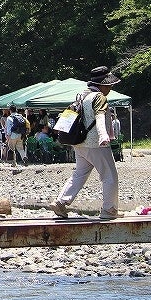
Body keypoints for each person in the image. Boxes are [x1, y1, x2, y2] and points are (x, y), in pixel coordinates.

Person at [51, 66, 122, 221]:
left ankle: (61, 201)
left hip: (80, 144)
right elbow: (100, 116)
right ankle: (109, 209)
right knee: (109, 175)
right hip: (96, 144)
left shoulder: (81, 96)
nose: (110, 87)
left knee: (80, 174)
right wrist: (103, 135)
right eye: (109, 85)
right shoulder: (99, 97)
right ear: (102, 84)